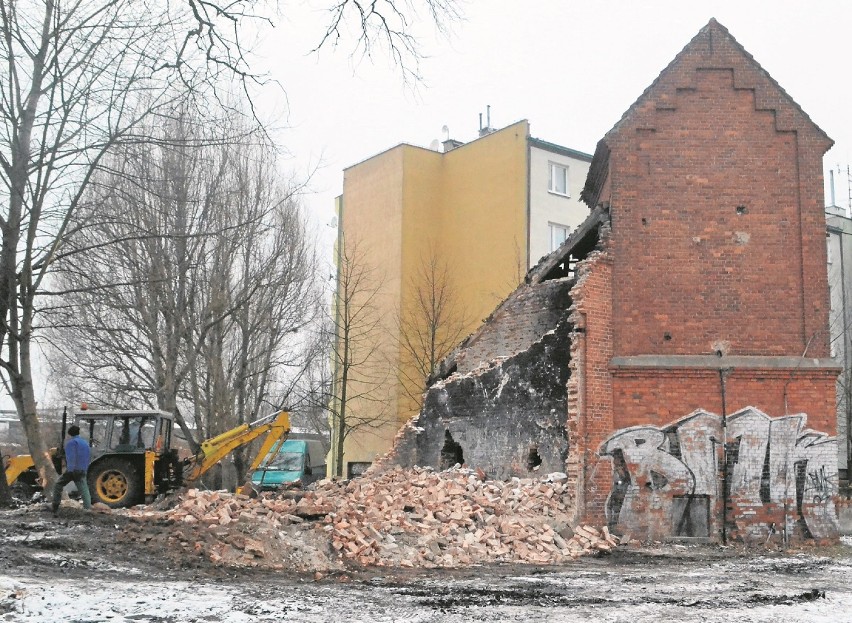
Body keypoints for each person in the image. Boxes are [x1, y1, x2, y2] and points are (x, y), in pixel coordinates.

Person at [51, 424, 92, 515]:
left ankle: (55, 506)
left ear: (70, 434)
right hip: (83, 469)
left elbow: (71, 457)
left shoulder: (71, 443)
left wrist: (70, 469)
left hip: (73, 469)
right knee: (84, 488)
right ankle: (87, 508)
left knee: (58, 485)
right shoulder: (85, 443)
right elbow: (89, 456)